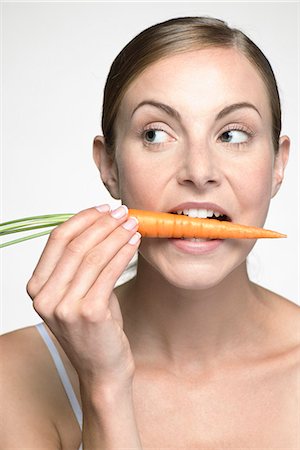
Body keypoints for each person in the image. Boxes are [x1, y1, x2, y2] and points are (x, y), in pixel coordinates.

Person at [1, 16, 299, 449]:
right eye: (156, 134)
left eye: (232, 134)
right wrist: (105, 385)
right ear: (109, 166)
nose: (199, 172)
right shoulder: (13, 377)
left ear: (278, 165)